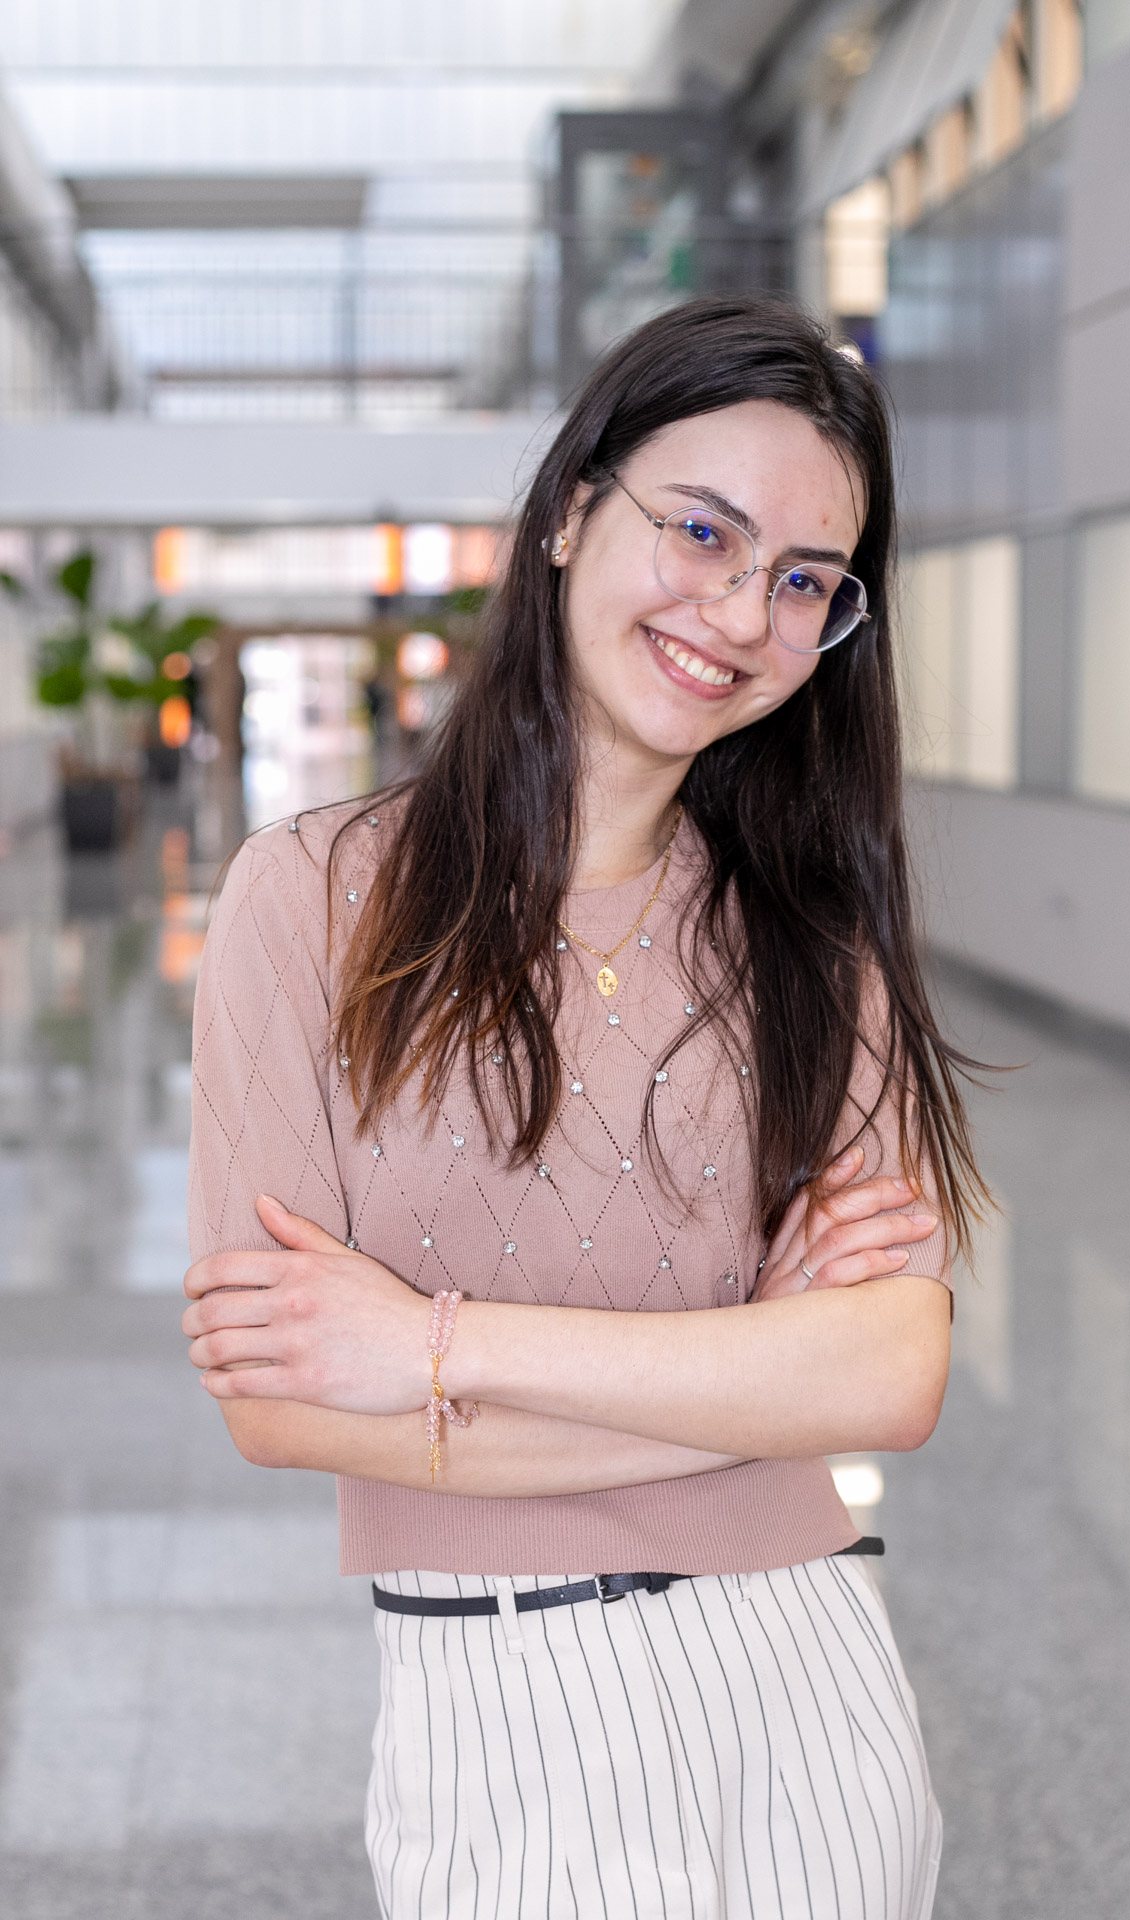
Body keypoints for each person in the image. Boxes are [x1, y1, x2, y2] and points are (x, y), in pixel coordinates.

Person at [183, 295, 985, 1920]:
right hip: (498, 1710)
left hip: (808, 1689)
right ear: (568, 511)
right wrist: (756, 1367)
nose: (740, 612)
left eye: (804, 581)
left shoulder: (809, 930)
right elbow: (280, 1403)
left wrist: (430, 1347)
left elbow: (890, 1374)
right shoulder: (311, 900)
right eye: (702, 531)